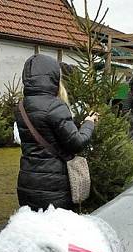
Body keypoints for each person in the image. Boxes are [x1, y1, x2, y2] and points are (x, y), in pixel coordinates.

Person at [16, 54, 97, 211]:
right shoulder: (55, 106)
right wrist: (89, 123)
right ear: (52, 76)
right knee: (56, 231)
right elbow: (77, 143)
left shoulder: (21, 106)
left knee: (34, 229)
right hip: (53, 185)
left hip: (27, 181)